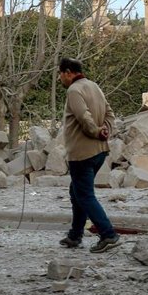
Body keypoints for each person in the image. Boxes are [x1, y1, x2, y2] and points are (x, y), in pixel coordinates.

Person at [58, 57, 121, 253]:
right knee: (76, 192)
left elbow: (83, 116)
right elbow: (110, 113)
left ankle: (108, 234)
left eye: (60, 74)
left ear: (68, 72)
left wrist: (96, 131)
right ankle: (75, 235)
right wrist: (105, 131)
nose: (60, 78)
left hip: (82, 152)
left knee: (84, 195)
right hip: (99, 151)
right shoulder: (94, 86)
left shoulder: (74, 90)